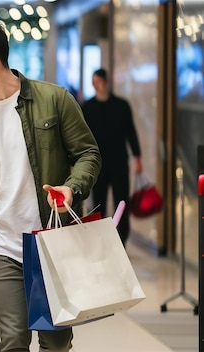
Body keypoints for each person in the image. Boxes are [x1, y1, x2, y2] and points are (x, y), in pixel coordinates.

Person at [0, 20, 101, 352]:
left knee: (56, 342)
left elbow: (88, 153)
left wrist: (72, 187)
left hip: (52, 242)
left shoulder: (55, 100)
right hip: (1, 246)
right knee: (13, 339)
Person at [83, 68, 141, 245]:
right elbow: (83, 137)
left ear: (107, 82)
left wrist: (138, 156)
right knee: (98, 204)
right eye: (95, 83)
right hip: (98, 164)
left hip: (119, 163)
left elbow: (131, 132)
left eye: (100, 82)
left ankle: (121, 240)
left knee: (121, 202)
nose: (98, 86)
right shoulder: (88, 107)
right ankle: (98, 241)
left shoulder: (121, 106)